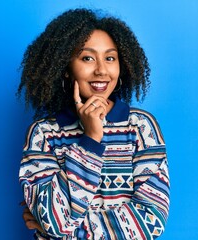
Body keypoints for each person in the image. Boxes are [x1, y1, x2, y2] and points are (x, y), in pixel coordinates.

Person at [18, 8, 170, 240]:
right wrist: (90, 140)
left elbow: (150, 223)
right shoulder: (44, 134)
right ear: (66, 68)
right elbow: (55, 223)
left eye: (110, 58)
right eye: (87, 58)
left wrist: (65, 230)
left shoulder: (141, 128)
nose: (101, 70)